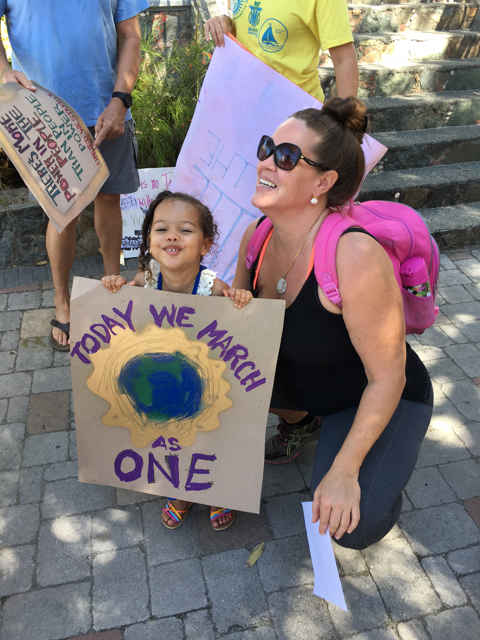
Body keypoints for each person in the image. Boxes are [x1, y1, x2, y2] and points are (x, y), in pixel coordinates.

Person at [231, 97, 433, 549]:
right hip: (304, 379)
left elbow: (387, 377)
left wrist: (344, 471)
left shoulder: (354, 256)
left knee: (353, 526)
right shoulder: (257, 236)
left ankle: (380, 470)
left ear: (323, 182)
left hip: (376, 394)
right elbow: (232, 332)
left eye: (285, 157)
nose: (266, 162)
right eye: (267, 147)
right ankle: (303, 422)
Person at [0, 0, 149, 350]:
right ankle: (63, 302)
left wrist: (120, 100)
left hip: (107, 110)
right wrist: (4, 70)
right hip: (42, 114)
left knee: (109, 199)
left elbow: (130, 35)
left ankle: (111, 284)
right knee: (62, 214)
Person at [102, 190, 253, 530]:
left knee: (211, 436)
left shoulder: (213, 287)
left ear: (204, 245)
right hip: (161, 380)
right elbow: (121, 306)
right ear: (150, 241)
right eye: (161, 229)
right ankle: (181, 491)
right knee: (170, 437)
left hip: (204, 382)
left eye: (185, 230)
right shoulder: (146, 280)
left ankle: (219, 491)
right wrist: (114, 285)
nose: (172, 235)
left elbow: (237, 324)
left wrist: (241, 300)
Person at [204, 0, 358, 101]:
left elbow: (344, 59)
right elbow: (250, 32)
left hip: (294, 115)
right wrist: (226, 24)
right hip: (243, 105)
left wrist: (346, 124)